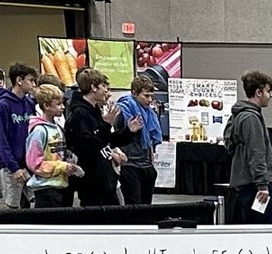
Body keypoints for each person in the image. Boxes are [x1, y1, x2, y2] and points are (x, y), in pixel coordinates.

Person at [63, 66, 136, 205]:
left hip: (105, 179)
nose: (106, 91)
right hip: (92, 182)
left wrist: (128, 131)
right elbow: (88, 146)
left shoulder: (94, 110)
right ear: (93, 87)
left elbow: (107, 141)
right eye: (103, 86)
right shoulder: (79, 113)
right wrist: (106, 124)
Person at [223, 70, 272, 221]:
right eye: (269, 91)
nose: (271, 95)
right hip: (255, 187)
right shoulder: (251, 118)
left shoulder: (239, 115)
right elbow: (256, 153)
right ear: (258, 92)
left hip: (246, 184)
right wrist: (262, 184)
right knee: (266, 231)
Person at [23, 81, 77, 207]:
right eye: (58, 104)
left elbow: (61, 152)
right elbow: (34, 163)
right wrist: (61, 166)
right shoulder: (39, 131)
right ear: (46, 106)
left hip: (62, 185)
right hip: (46, 189)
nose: (62, 107)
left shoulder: (58, 128)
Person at [0, 63, 37, 209]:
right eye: (31, 80)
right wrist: (13, 167)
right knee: (13, 207)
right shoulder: (3, 105)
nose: (34, 84)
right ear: (19, 80)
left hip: (29, 164)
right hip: (12, 165)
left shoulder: (29, 103)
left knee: (34, 202)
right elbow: (0, 138)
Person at [117, 74, 165, 207]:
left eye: (151, 96)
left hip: (147, 165)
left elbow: (150, 140)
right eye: (146, 95)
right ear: (134, 93)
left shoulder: (150, 113)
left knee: (146, 206)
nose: (150, 100)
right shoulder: (123, 109)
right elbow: (118, 135)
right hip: (130, 165)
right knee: (134, 206)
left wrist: (152, 165)